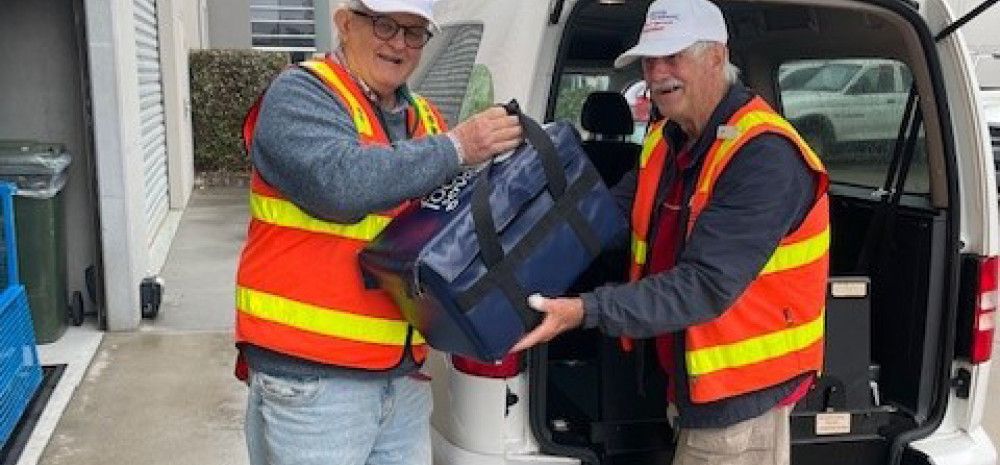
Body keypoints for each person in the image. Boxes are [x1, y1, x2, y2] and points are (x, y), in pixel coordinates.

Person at [511, 0, 830, 464]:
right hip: (686, 379)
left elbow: (704, 285)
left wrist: (585, 310)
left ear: (716, 58)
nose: (657, 74)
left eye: (672, 57)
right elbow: (609, 216)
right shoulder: (667, 138)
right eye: (650, 60)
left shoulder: (765, 156)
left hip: (737, 400)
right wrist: (520, 249)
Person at [233, 0, 523, 464]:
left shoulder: (424, 117)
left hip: (401, 375)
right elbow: (339, 183)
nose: (400, 44)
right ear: (345, 24)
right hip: (316, 381)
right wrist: (458, 147)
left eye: (414, 33)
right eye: (386, 25)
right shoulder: (300, 93)